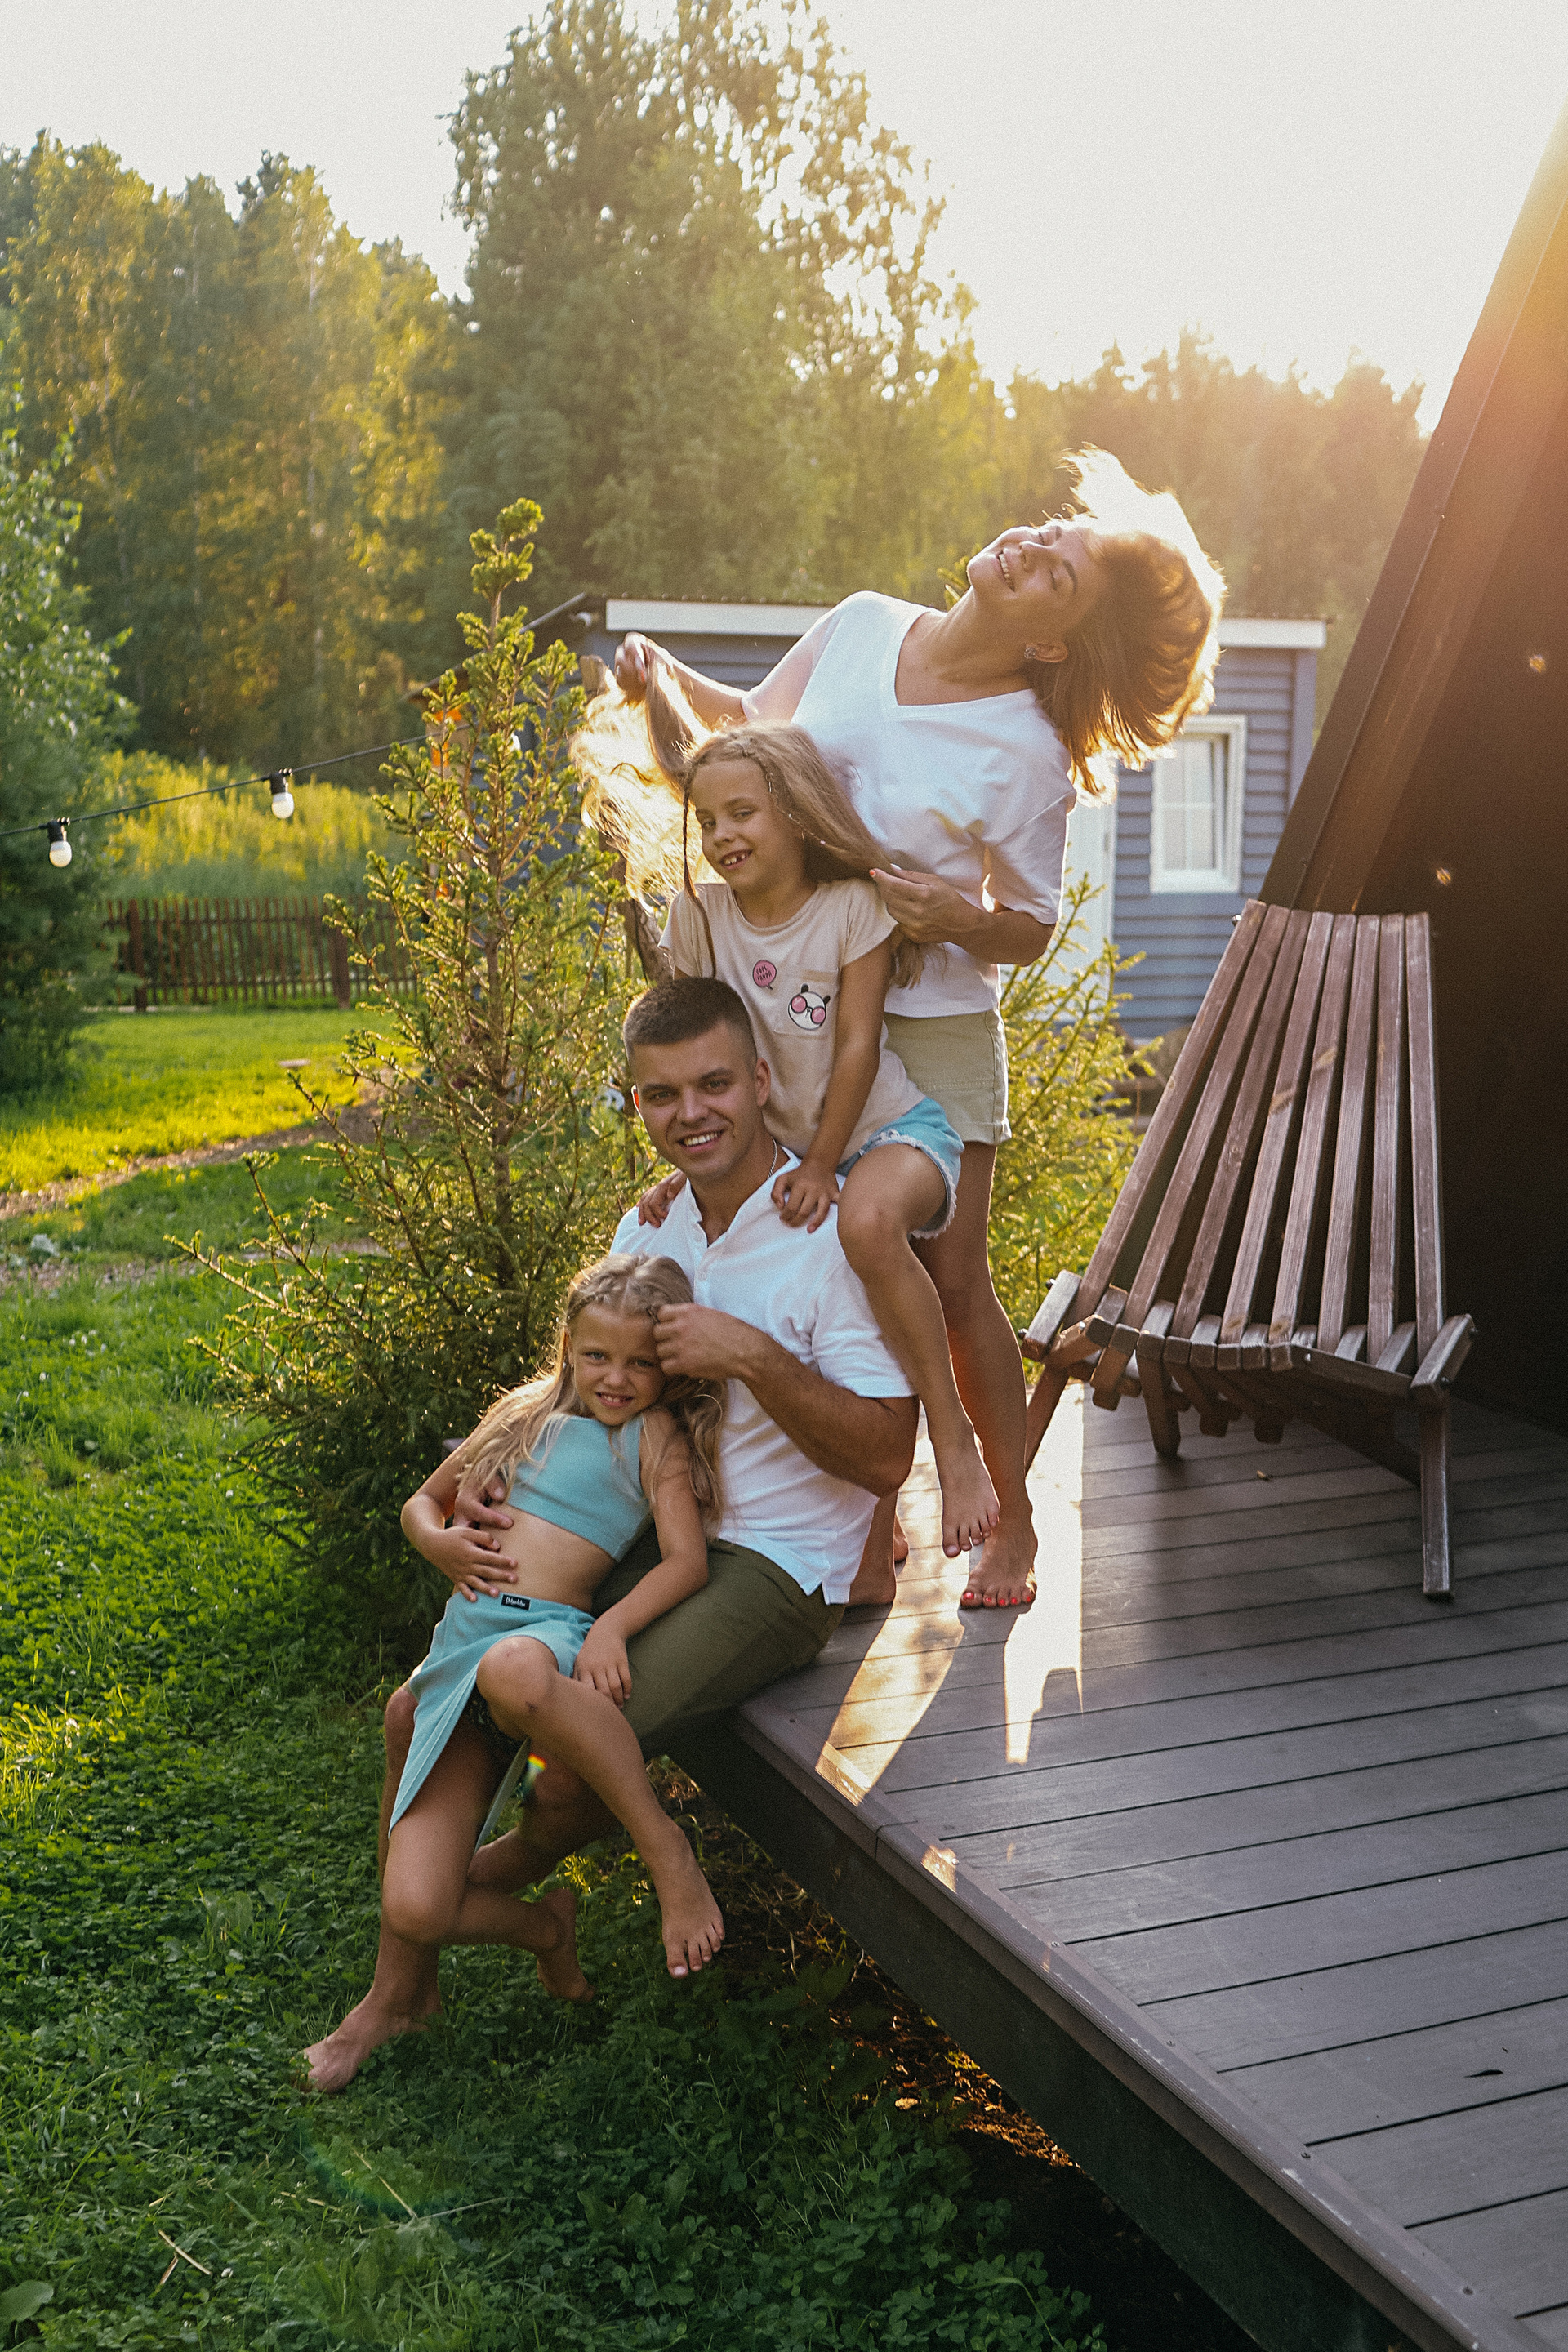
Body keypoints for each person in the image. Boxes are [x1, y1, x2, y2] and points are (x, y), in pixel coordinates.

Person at [612, 449, 1224, 1610]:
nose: (1033, 548)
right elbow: (746, 724)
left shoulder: (1027, 750)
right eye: (1051, 532)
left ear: (1056, 644)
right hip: (799, 1007)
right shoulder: (860, 625)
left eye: (1060, 576)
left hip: (929, 1030)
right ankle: (870, 1513)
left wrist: (960, 919)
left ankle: (1013, 1518)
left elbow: (1031, 923)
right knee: (824, 1262)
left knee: (948, 1280)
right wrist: (659, 668)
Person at [305, 974, 917, 2092]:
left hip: (773, 1561)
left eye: (714, 1084)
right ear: (635, 1103)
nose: (691, 1113)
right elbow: (592, 1381)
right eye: (660, 1094)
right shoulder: (656, 1221)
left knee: (557, 1759)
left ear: (762, 1080)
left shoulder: (826, 1232)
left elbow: (887, 1457)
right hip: (642, 1526)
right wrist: (507, 1483)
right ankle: (410, 1970)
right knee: (420, 1706)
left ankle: (464, 1911)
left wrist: (753, 1357)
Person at [578, 671, 994, 1560]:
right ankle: (873, 1536)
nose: (722, 835)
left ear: (797, 815)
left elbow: (856, 1048)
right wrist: (683, 1171)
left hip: (886, 1133)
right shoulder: (699, 917)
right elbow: (698, 1059)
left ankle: (956, 1442)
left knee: (866, 1226)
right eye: (707, 821)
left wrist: (820, 1164)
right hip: (798, 1150)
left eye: (743, 814)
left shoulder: (851, 909)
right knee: (834, 1305)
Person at [385, 1252, 728, 1984]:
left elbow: (686, 1562)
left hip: (543, 1636)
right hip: (463, 1645)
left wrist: (611, 1627)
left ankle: (664, 1846)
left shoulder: (653, 1436)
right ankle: (546, 1928)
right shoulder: (521, 1413)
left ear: (668, 1369)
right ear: (569, 1346)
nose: (616, 1378)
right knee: (415, 1911)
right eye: (598, 1355)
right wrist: (437, 1542)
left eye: (640, 1363)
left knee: (510, 1666)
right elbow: (422, 1503)